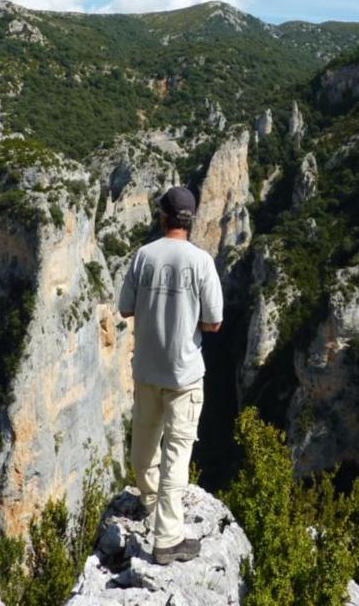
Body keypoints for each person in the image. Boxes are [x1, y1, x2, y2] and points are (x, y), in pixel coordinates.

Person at [117, 185, 224, 565]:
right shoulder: (201, 262)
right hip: (184, 376)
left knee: (143, 447)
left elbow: (125, 309)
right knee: (177, 454)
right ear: (190, 221)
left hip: (147, 370)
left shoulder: (143, 256)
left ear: (162, 217)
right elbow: (213, 323)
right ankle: (167, 539)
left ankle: (149, 501)